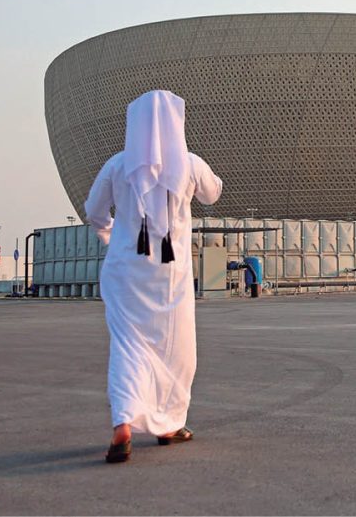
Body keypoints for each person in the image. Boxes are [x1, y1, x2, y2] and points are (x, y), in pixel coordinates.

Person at [85, 90, 223, 464]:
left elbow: (93, 210)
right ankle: (168, 425)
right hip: (170, 278)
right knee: (176, 350)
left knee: (129, 348)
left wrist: (112, 234)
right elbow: (213, 194)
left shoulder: (117, 166)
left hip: (126, 273)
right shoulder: (190, 164)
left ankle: (123, 426)